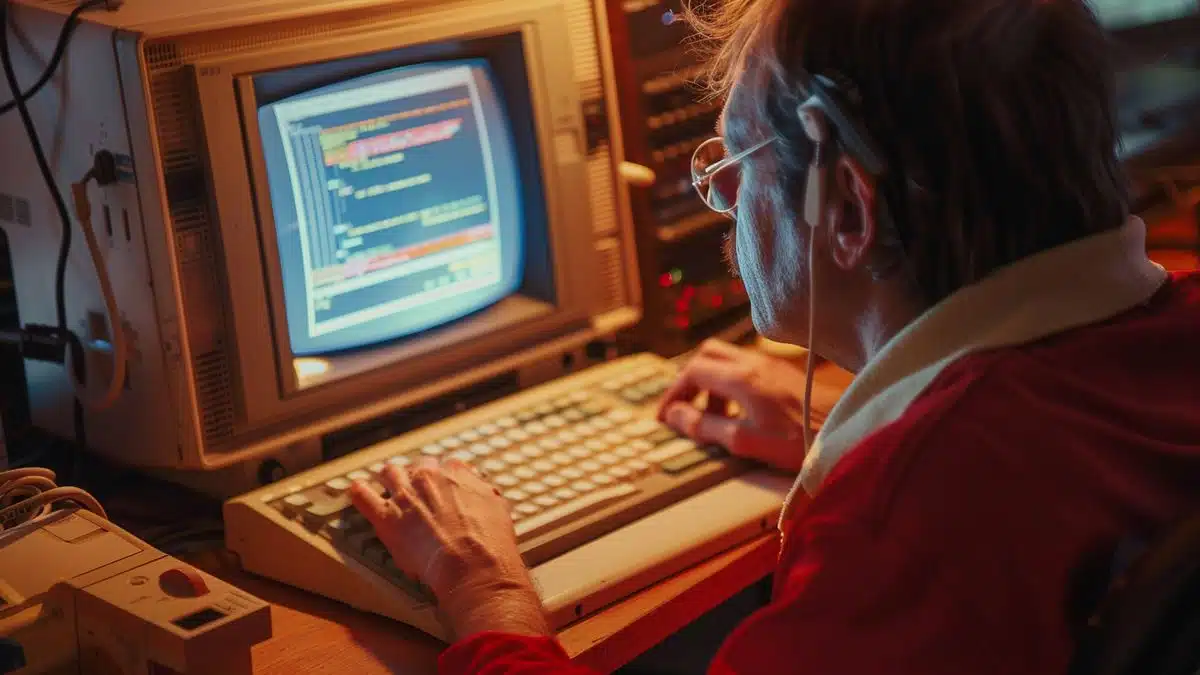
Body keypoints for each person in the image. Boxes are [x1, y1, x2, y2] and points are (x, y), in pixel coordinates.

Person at [348, 0, 1200, 672]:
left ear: (849, 212)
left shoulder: (909, 522)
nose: (726, 205)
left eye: (730, 166)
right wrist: (846, 420)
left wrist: (490, 596)